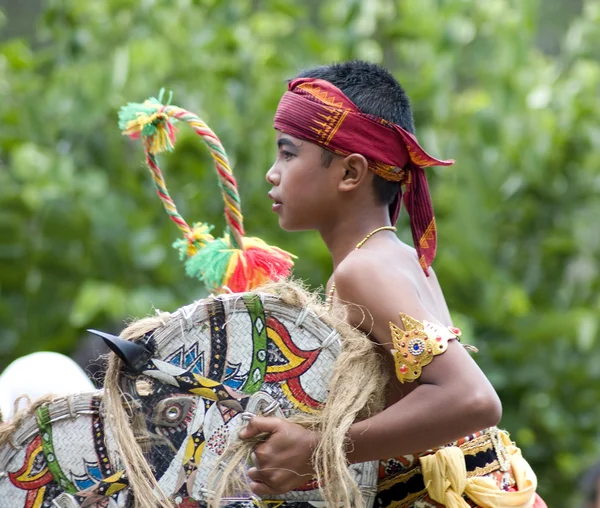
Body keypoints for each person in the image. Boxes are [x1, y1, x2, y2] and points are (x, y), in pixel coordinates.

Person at [239, 61, 546, 507]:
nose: (273, 172)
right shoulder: (399, 258)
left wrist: (319, 451)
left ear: (350, 173)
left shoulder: (363, 270)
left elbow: (473, 398)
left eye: (288, 153)